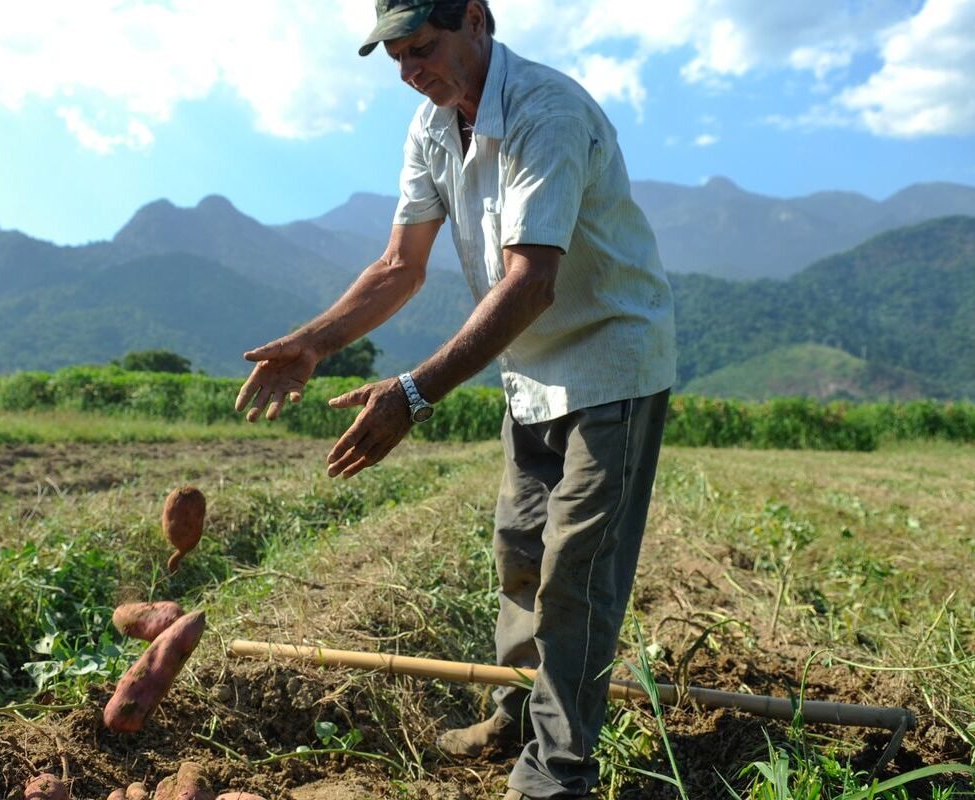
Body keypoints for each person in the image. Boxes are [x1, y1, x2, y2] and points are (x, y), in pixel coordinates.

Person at [234, 1, 676, 796]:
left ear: (476, 20)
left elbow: (532, 280)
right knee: (519, 554)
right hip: (530, 374)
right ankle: (516, 715)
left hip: (612, 362)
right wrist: (314, 343)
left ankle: (555, 773)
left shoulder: (547, 111)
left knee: (576, 575)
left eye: (423, 48)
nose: (411, 73)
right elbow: (401, 264)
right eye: (398, 58)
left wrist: (413, 392)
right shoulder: (435, 126)